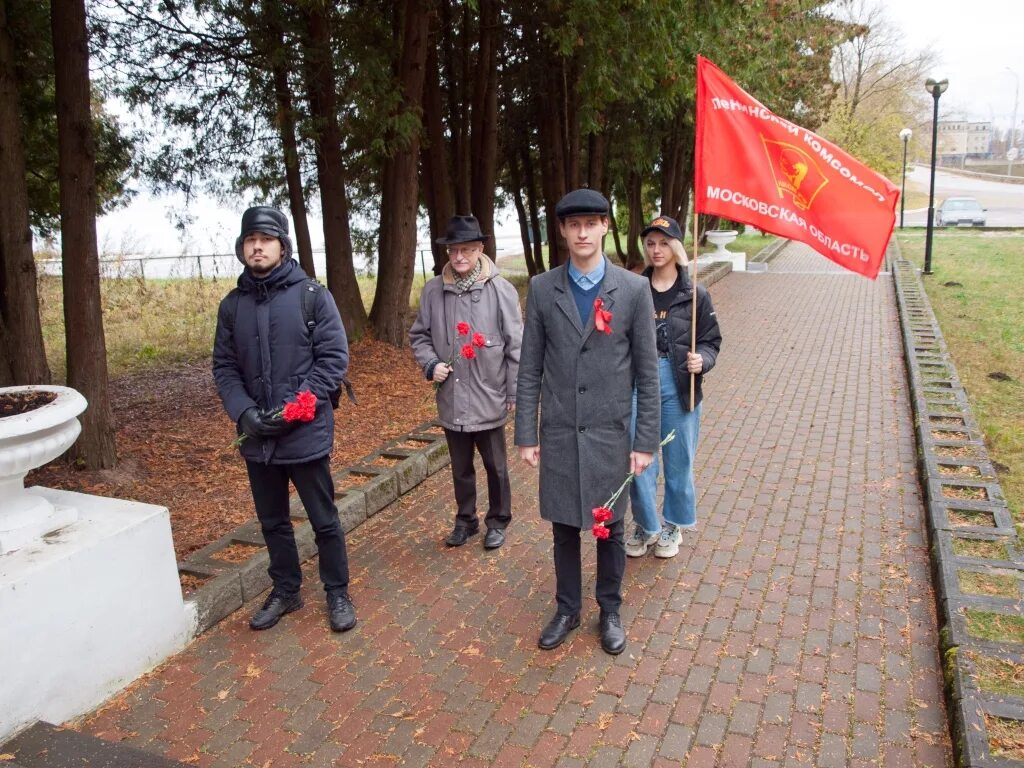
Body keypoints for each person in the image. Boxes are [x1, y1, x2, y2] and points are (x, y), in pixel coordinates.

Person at [514, 189, 660, 655]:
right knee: (563, 526)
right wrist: (526, 433)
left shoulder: (632, 290)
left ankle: (609, 610)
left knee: (608, 526)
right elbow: (530, 368)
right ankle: (567, 608)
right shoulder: (543, 289)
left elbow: (647, 374)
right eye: (573, 224)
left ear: (604, 227)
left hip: (610, 434)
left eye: (591, 224)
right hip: (559, 431)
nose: (582, 233)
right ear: (561, 230)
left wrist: (644, 442)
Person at [213, 206, 356, 633]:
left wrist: (292, 410)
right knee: (272, 522)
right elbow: (224, 367)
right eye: (250, 240)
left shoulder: (312, 296)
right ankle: (286, 589)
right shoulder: (232, 306)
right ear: (242, 248)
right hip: (258, 438)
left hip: (304, 433)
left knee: (323, 519)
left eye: (265, 239)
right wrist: (245, 413)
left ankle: (337, 591)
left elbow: (332, 361)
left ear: (282, 246)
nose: (257, 247)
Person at [409, 215, 523, 550]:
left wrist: (514, 391)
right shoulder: (433, 290)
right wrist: (431, 364)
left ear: (480, 249)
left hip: (490, 394)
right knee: (460, 468)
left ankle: (498, 521)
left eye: (467, 250)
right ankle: (466, 520)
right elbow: (419, 336)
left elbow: (516, 345)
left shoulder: (500, 290)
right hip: (452, 396)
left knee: (495, 466)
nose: (459, 257)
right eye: (454, 250)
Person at [626, 215, 722, 559]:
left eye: (664, 243)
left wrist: (702, 360)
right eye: (651, 243)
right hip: (638, 384)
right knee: (638, 459)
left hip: (679, 385)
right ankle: (646, 525)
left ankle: (673, 524)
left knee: (679, 461)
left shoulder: (695, 294)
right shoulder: (634, 290)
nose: (656, 249)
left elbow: (711, 341)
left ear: (677, 247)